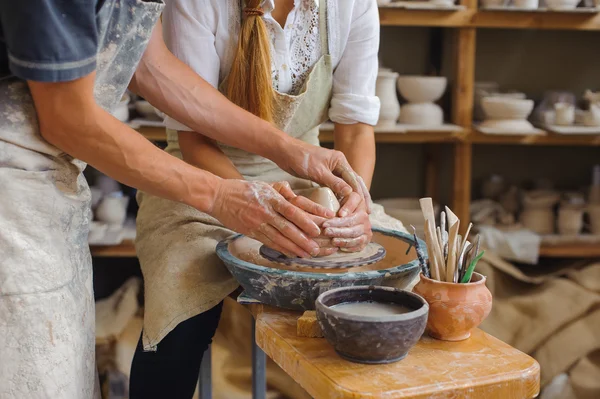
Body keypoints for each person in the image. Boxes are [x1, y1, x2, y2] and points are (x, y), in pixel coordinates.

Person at [0, 1, 370, 397]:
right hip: (12, 177)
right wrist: (221, 195)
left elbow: (149, 65)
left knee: (63, 370)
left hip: (53, 178)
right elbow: (66, 117)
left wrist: (288, 149)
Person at [130, 0, 408, 397]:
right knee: (180, 298)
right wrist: (251, 201)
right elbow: (194, 137)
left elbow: (356, 129)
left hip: (307, 172)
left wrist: (354, 201)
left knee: (403, 277)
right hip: (203, 175)